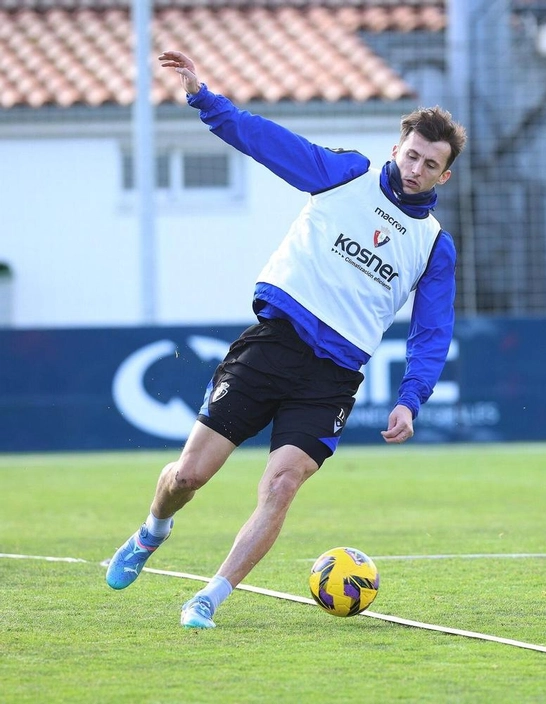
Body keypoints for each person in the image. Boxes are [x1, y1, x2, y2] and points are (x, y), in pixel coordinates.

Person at [105, 50, 466, 628]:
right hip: (273, 346)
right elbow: (268, 142)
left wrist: (410, 397)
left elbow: (432, 331)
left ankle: (209, 598)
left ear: (444, 176)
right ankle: (153, 530)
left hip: (332, 379)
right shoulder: (346, 175)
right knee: (189, 476)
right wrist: (205, 99)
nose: (416, 168)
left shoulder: (434, 246)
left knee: (280, 485)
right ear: (397, 148)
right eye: (412, 155)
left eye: (430, 164)